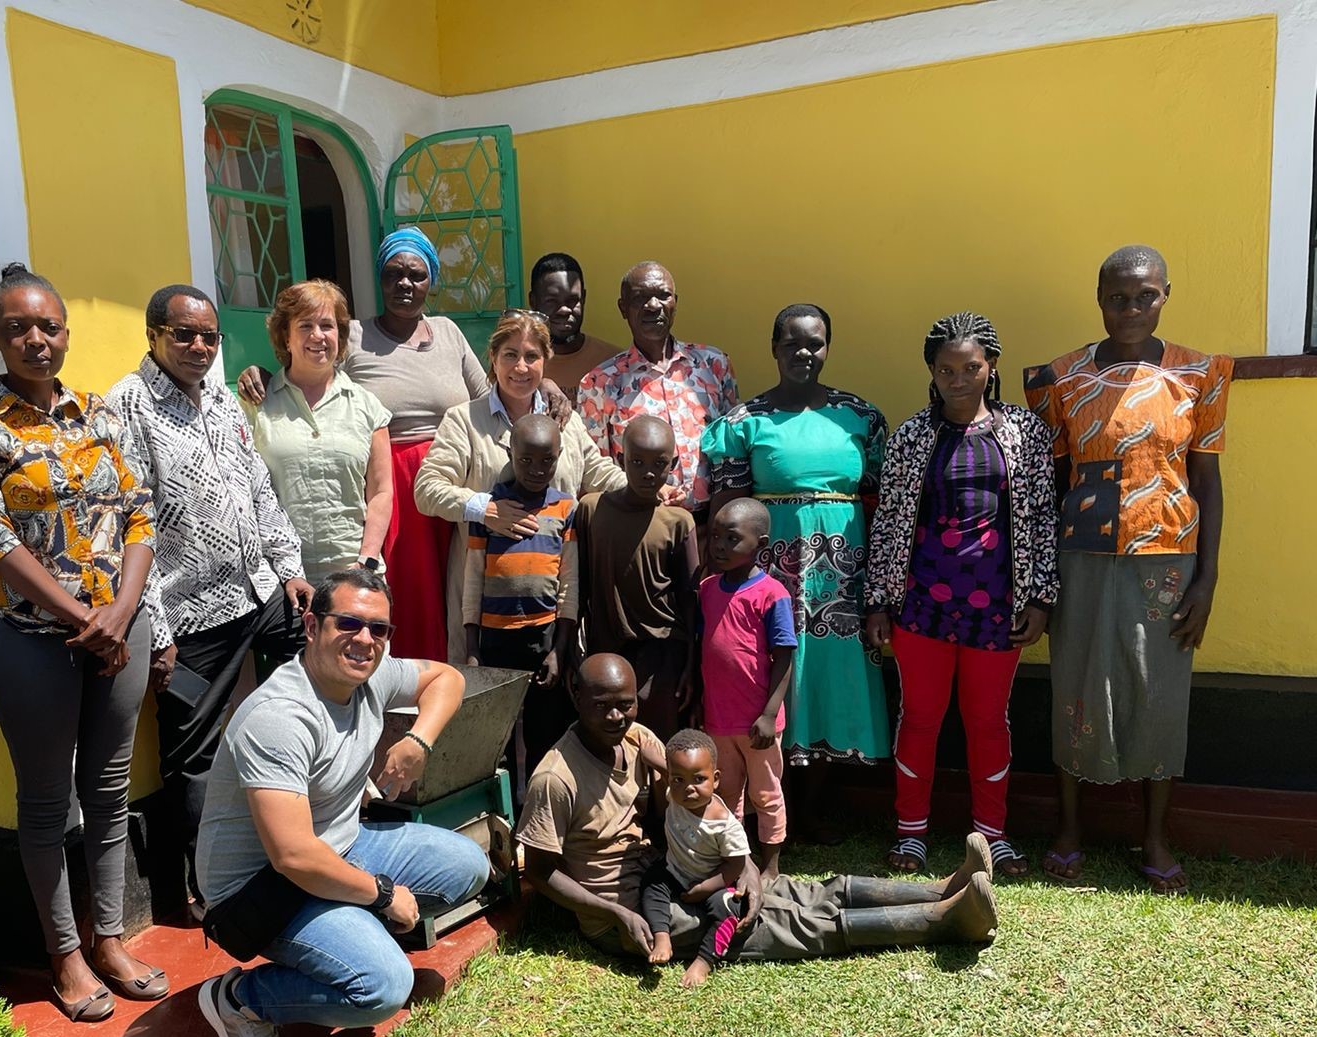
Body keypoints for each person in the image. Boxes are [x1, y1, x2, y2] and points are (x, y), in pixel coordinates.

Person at [0, 263, 163, 1022]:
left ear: (65, 333)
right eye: (18, 328)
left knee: (107, 796)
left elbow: (141, 513)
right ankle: (65, 956)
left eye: (49, 326)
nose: (36, 340)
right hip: (35, 643)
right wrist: (81, 615)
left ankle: (109, 939)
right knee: (47, 804)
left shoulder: (99, 413)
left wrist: (121, 611)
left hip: (117, 638)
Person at [194, 569, 489, 1037]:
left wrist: (418, 741)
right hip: (261, 889)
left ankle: (343, 937)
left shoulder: (371, 675)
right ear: (311, 626)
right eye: (349, 623)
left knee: (468, 865)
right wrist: (380, 894)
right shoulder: (280, 717)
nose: (365, 640)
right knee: (382, 989)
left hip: (339, 847)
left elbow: (449, 678)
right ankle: (238, 1000)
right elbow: (293, 857)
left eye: (379, 629)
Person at [517, 654, 1000, 964]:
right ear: (576, 697)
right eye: (602, 705)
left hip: (670, 874)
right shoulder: (555, 777)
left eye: (626, 704)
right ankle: (947, 921)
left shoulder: (636, 739)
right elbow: (540, 872)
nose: (616, 716)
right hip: (627, 908)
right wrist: (614, 915)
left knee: (795, 889)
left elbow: (698, 803)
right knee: (776, 921)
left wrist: (744, 863)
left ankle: (942, 887)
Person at [241, 228, 563, 659]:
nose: (404, 284)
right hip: (390, 478)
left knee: (456, 586)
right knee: (407, 592)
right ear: (379, 278)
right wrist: (260, 373)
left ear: (431, 280)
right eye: (393, 274)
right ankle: (398, 681)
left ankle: (451, 675)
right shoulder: (350, 335)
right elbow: (309, 367)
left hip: (452, 472)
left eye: (416, 274)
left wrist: (548, 384)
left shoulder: (448, 333)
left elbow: (500, 386)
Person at [1024, 246, 1229, 894]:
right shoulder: (1058, 378)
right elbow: (1049, 482)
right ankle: (1070, 828)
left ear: (1166, 293)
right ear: (1099, 298)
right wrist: (1042, 576)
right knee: (1074, 685)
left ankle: (1155, 835)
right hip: (1081, 556)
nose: (1132, 309)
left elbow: (1208, 481)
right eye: (1118, 297)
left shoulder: (1201, 374)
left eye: (1145, 296)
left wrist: (1208, 577)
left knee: (1159, 692)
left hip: (1166, 559)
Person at [105, 283, 311, 919]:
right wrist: (157, 631)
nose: (198, 347)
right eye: (183, 335)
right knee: (192, 751)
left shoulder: (221, 401)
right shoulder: (127, 407)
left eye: (208, 337)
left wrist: (289, 568)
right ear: (154, 336)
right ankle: (205, 883)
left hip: (261, 594)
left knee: (306, 698)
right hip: (191, 616)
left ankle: (306, 832)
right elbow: (124, 524)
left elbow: (258, 490)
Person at [865, 313, 1059, 879]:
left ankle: (993, 836)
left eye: (970, 367)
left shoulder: (1023, 433)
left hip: (999, 608)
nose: (958, 379)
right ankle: (911, 835)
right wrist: (879, 601)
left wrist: (1040, 599)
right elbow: (889, 524)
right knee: (920, 718)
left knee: (988, 721)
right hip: (921, 607)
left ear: (990, 366)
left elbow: (1043, 519)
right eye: (946, 369)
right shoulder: (910, 438)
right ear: (931, 371)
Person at [703, 304, 890, 842]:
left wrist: (879, 589)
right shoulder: (744, 423)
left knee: (831, 679)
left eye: (815, 343)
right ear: (774, 347)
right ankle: (766, 810)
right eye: (793, 343)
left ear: (828, 347)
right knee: (769, 674)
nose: (804, 353)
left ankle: (814, 806)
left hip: (843, 580)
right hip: (768, 580)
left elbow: (883, 506)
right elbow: (726, 507)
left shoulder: (861, 418)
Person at [415, 308, 623, 663]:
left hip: (553, 602)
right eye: (510, 355)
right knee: (490, 706)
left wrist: (644, 492)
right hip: (483, 607)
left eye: (531, 356)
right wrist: (485, 509)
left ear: (546, 361)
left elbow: (599, 472)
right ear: (493, 358)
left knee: (550, 706)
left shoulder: (562, 421)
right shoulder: (465, 421)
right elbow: (427, 489)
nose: (521, 368)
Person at [462, 413, 579, 784]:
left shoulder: (565, 509)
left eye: (547, 460)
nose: (536, 469)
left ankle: (542, 811)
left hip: (544, 638)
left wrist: (560, 648)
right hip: (496, 640)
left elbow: (569, 583)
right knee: (499, 736)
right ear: (510, 454)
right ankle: (506, 817)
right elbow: (473, 578)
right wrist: (472, 645)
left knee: (545, 731)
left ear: (559, 455)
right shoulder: (490, 509)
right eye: (526, 459)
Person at [251, 280, 393, 581]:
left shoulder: (368, 407)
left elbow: (381, 492)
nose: (318, 336)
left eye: (327, 326)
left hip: (355, 576)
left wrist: (366, 560)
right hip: (282, 581)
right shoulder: (257, 405)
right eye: (305, 326)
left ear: (340, 336)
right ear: (285, 337)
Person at [577, 261, 738, 516]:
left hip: (711, 527)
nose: (654, 306)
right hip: (642, 527)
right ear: (623, 308)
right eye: (640, 297)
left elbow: (733, 451)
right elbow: (595, 469)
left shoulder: (714, 365)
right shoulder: (599, 383)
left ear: (676, 301)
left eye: (663, 296)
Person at [574, 415, 698, 740]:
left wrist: (691, 665)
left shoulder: (678, 522)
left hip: (663, 655)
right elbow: (578, 586)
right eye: (637, 461)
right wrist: (572, 650)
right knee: (610, 742)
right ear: (619, 459)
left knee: (659, 744)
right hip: (607, 651)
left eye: (659, 464)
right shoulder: (591, 510)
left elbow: (690, 600)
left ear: (673, 463)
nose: (648, 473)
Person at [698, 497, 797, 882]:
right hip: (718, 719)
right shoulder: (707, 590)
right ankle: (737, 861)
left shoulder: (772, 594)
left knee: (767, 795)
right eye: (716, 537)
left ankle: (771, 863)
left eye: (732, 539)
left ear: (762, 544)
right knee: (727, 795)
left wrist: (770, 714)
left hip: (758, 723)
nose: (719, 546)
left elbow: (784, 658)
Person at [640, 730, 752, 989]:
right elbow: (662, 764)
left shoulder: (725, 826)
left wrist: (706, 888)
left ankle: (704, 960)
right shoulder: (675, 794)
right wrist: (649, 755)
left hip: (713, 881)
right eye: (678, 779)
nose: (688, 788)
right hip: (675, 870)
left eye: (699, 779)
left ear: (715, 780)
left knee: (728, 911)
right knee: (651, 882)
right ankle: (662, 935)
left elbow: (736, 865)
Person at [528, 252, 621, 400]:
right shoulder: (520, 365)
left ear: (583, 298)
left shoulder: (614, 363)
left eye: (572, 300)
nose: (564, 310)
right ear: (533, 301)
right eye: (552, 301)